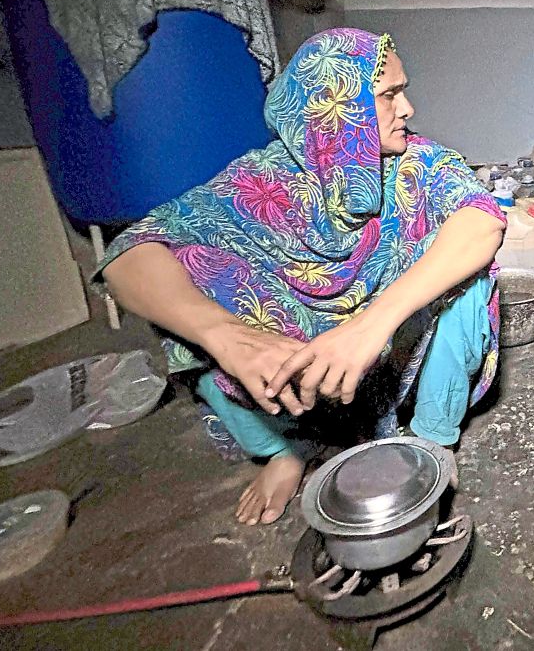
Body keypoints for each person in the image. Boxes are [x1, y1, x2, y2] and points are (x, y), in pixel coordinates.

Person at [100, 28, 505, 525]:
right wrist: (226, 335)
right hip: (305, 373)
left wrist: (369, 325)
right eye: (389, 95)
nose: (409, 109)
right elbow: (128, 255)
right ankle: (283, 450)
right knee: (184, 296)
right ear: (335, 112)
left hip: (394, 352)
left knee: (469, 276)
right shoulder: (262, 181)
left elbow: (482, 221)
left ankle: (429, 442)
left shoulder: (418, 165)